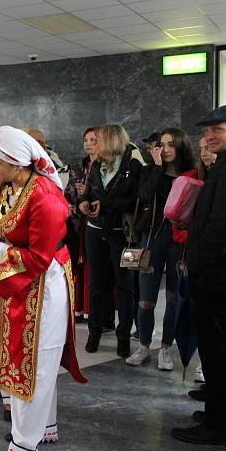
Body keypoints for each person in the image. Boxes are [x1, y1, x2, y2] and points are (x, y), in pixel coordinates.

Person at [0, 126, 86, 451]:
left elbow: (38, 257)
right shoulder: (9, 186)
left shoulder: (44, 196)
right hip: (21, 285)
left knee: (36, 361)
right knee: (24, 356)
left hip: (43, 286)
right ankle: (40, 426)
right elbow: (4, 228)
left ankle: (23, 446)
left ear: (17, 163)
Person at [172, 104, 226, 449]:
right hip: (219, 273)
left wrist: (195, 262)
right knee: (221, 348)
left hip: (220, 275)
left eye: (218, 129)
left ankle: (220, 424)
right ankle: (221, 412)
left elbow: (223, 228)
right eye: (206, 131)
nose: (209, 136)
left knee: (219, 350)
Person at [126, 128, 196, 370]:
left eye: (170, 144)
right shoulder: (148, 171)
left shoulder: (190, 175)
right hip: (151, 239)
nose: (164, 149)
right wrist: (156, 167)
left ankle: (166, 347)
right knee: (146, 300)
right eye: (161, 144)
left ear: (180, 147)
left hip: (179, 241)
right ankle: (144, 345)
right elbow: (144, 197)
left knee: (174, 298)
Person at [78, 124, 143, 357]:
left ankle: (123, 336)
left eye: (98, 140)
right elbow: (88, 193)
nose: (94, 144)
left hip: (121, 233)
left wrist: (105, 204)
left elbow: (137, 201)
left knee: (124, 285)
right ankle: (94, 332)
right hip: (95, 230)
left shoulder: (132, 164)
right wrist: (83, 202)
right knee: (96, 284)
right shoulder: (96, 164)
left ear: (112, 141)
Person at [64, 128, 98, 322]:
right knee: (77, 264)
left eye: (93, 140)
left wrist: (88, 192)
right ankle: (78, 308)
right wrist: (77, 196)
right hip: (77, 221)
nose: (88, 143)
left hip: (95, 220)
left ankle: (92, 309)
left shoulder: (104, 165)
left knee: (92, 266)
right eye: (86, 139)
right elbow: (68, 192)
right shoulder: (78, 165)